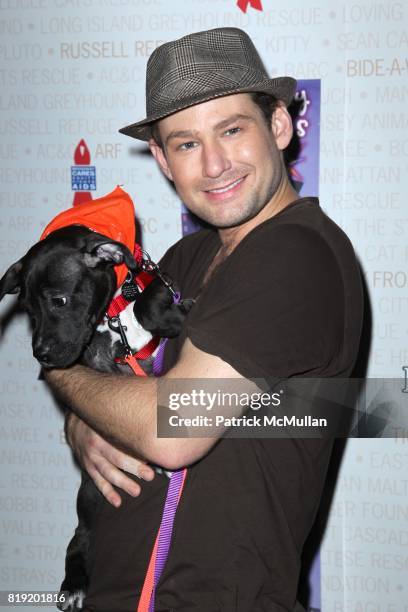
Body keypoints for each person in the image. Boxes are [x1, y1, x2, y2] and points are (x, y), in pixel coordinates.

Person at [47, 28, 364, 612]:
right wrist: (81, 422)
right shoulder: (184, 260)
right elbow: (117, 383)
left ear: (279, 126)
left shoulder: (297, 253)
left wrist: (60, 373)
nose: (214, 164)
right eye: (187, 144)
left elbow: (171, 430)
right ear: (164, 161)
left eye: (232, 130)